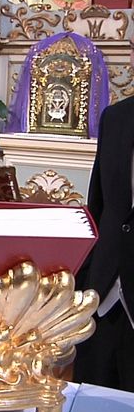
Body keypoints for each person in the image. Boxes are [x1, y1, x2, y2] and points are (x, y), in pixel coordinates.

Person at [73, 37, 134, 391]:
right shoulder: (115, 118)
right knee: (91, 406)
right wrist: (83, 289)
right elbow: (98, 207)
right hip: (102, 300)